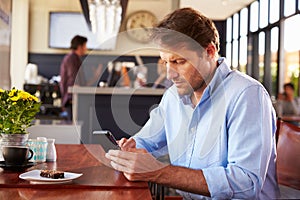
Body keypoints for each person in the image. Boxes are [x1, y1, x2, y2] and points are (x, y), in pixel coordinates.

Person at [105, 8, 279, 199]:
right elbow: (148, 140)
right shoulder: (173, 97)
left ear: (209, 51)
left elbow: (246, 183)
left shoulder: (247, 95)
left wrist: (158, 172)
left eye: (179, 61)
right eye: (165, 62)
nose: (170, 74)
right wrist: (130, 149)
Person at [59, 35, 102, 120]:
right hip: (72, 101)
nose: (86, 48)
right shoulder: (72, 58)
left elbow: (82, 84)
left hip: (73, 100)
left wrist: (96, 77)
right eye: (85, 46)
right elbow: (75, 84)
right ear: (80, 46)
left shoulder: (75, 58)